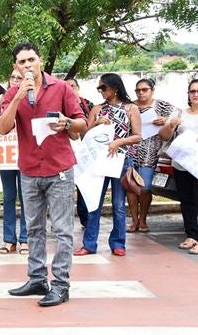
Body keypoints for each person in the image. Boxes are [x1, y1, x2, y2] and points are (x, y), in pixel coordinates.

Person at [0, 42, 87, 307]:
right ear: (16, 66)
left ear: (41, 61)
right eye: (22, 62)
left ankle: (60, 284)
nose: (27, 65)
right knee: (33, 228)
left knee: (62, 230)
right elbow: (2, 128)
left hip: (59, 168)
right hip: (29, 170)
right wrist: (16, 96)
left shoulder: (60, 88)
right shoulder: (13, 93)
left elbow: (82, 123)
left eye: (31, 60)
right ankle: (37, 279)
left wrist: (67, 122)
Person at [74, 73, 141, 258]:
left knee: (119, 204)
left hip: (120, 159)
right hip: (98, 160)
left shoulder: (131, 108)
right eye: (99, 88)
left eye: (103, 87)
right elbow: (84, 134)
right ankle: (89, 244)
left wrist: (118, 143)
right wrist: (96, 122)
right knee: (94, 202)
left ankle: (118, 243)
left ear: (115, 88)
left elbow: (137, 136)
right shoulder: (97, 109)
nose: (101, 91)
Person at [159, 79, 198, 255]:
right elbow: (164, 136)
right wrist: (171, 124)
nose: (195, 94)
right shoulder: (180, 112)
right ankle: (192, 235)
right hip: (182, 164)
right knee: (187, 201)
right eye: (192, 91)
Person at [130, 78, 175, 233]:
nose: (141, 93)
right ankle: (134, 220)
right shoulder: (130, 106)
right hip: (131, 151)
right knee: (130, 187)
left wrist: (166, 121)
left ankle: (143, 219)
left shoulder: (162, 105)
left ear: (152, 90)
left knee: (145, 187)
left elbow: (177, 118)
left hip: (150, 152)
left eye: (145, 89)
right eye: (138, 90)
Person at [0, 71, 28, 254]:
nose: (16, 81)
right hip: (6, 156)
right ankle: (9, 239)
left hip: (26, 155)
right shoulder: (4, 99)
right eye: (13, 78)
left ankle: (25, 239)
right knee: (8, 197)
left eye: (20, 78)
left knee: (27, 198)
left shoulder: (32, 97)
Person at [65, 78, 93, 228]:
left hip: (86, 151)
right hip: (65, 150)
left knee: (84, 187)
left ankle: (86, 219)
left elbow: (92, 126)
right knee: (65, 189)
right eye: (66, 86)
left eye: (72, 86)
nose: (70, 89)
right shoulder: (59, 105)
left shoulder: (88, 105)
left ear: (78, 88)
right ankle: (63, 221)